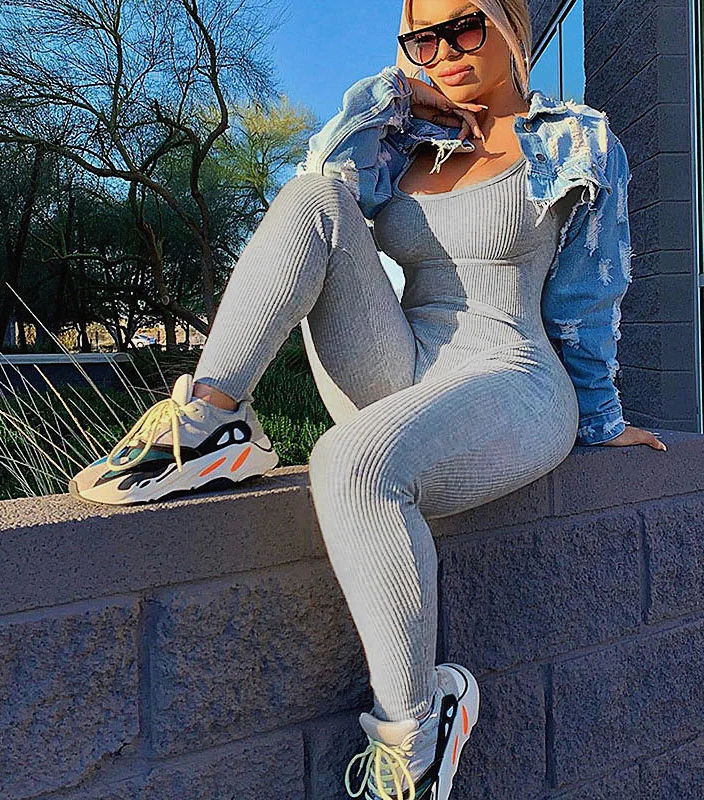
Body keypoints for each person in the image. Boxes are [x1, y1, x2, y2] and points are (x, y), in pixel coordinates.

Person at [70, 1, 667, 797]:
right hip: (402, 367)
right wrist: (394, 95)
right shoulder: (408, 141)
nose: (445, 52)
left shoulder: (574, 140)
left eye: (465, 27)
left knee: (349, 462)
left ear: (512, 26)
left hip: (512, 376)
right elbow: (323, 171)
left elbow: (591, 292)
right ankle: (213, 416)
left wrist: (602, 418)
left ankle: (416, 734)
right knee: (314, 199)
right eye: (423, 39)